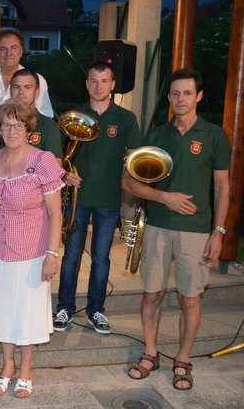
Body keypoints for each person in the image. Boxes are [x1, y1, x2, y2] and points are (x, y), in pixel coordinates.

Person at [122, 68, 230, 391]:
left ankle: (182, 360)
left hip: (196, 230)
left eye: (187, 93)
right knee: (151, 294)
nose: (180, 99)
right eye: (174, 93)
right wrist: (164, 197)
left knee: (189, 299)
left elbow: (223, 186)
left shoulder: (214, 135)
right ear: (168, 97)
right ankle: (150, 352)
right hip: (156, 225)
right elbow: (128, 181)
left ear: (198, 96)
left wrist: (219, 231)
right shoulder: (156, 134)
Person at [0, 98, 63, 398]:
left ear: (29, 128)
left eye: (19, 124)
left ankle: (25, 368)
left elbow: (56, 213)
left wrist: (53, 254)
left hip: (32, 253)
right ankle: (7, 365)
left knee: (26, 313)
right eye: (7, 124)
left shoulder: (43, 161)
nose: (12, 130)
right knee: (1, 310)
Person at [53, 61, 141, 335]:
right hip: (78, 198)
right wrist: (64, 174)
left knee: (101, 259)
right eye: (93, 80)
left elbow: (136, 157)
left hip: (109, 198)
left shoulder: (126, 119)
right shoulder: (72, 116)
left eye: (104, 81)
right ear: (86, 83)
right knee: (71, 257)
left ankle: (96, 311)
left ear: (113, 84)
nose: (98, 86)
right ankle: (64, 308)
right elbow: (58, 156)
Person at [0, 29, 53, 141]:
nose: (9, 53)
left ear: (21, 51)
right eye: (3, 49)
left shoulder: (38, 80)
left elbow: (46, 118)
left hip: (26, 151)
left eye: (14, 48)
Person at [0, 69, 63, 161]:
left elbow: (54, 168)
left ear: (37, 92)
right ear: (11, 91)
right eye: (16, 87)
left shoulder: (49, 125)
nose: (21, 92)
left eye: (27, 87)